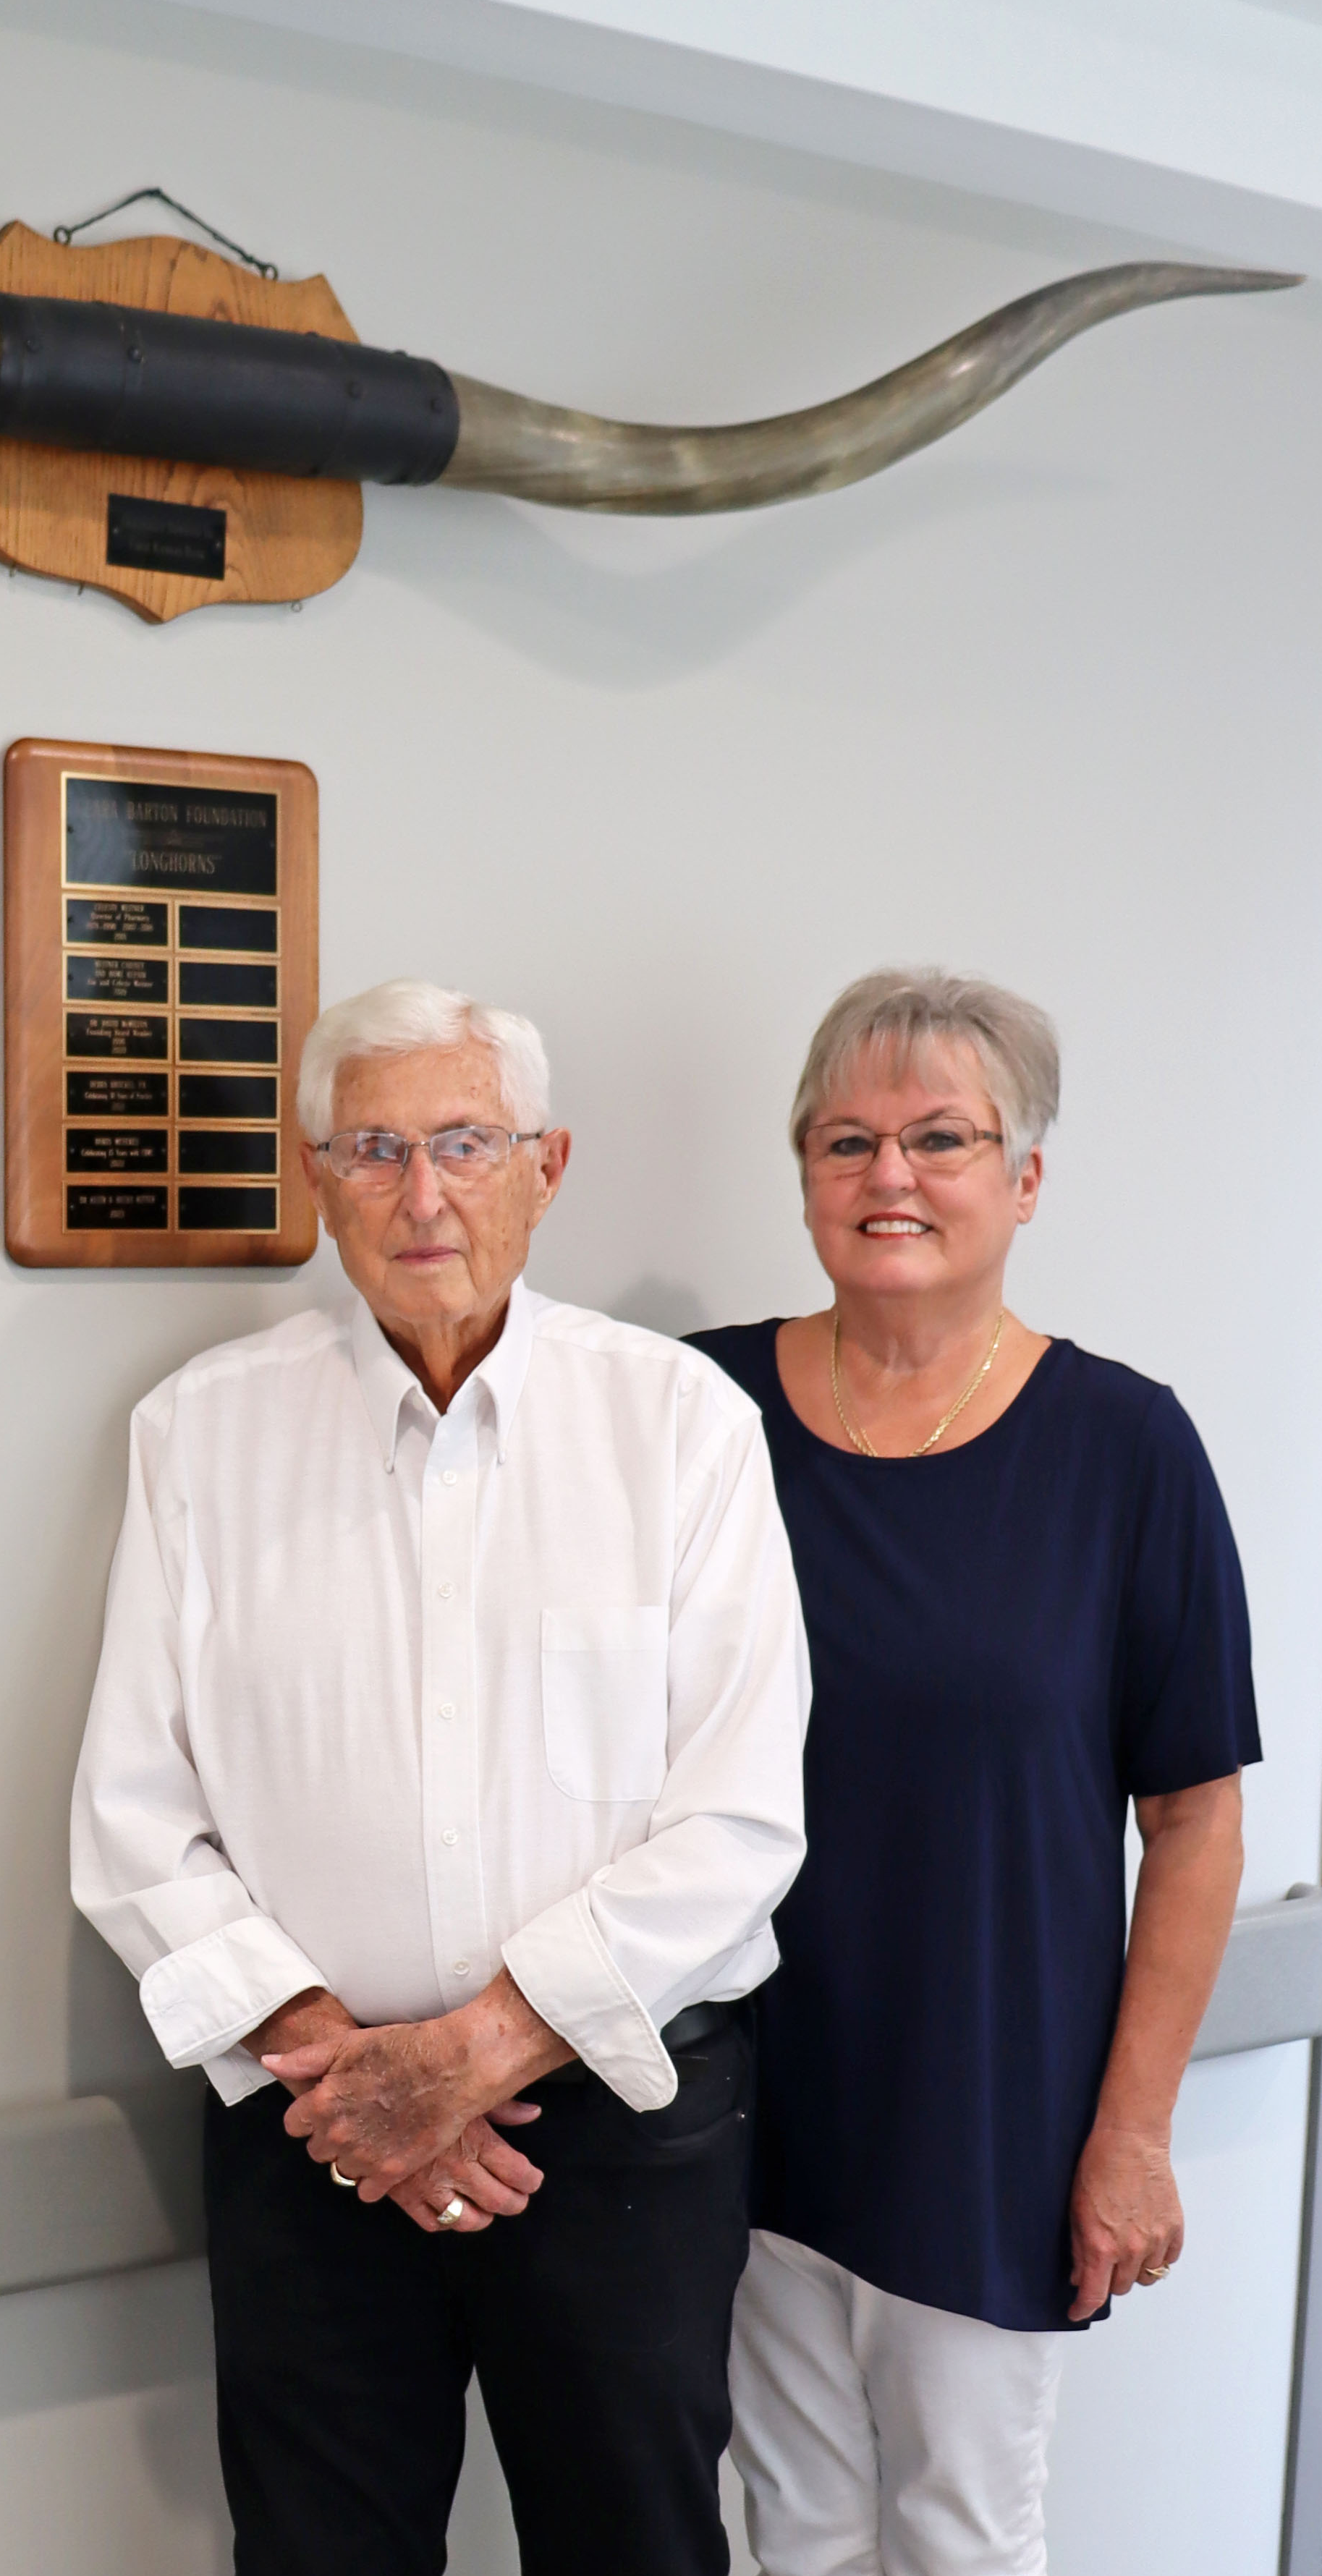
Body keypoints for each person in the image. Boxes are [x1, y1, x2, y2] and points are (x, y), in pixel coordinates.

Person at [70, 979, 810, 2576]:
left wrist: (470, 2055)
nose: (422, 1194)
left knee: (639, 2550)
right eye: (376, 1148)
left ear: (545, 1167)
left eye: (464, 1143)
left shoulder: (677, 1425)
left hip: (620, 2127)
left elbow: (739, 1814)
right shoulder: (201, 1436)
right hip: (311, 2133)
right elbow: (134, 1816)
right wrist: (344, 2073)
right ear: (316, 1177)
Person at [689, 968, 1257, 2576]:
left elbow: (1196, 1818)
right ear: (801, 1171)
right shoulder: (698, 1409)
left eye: (941, 1137)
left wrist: (1131, 2134)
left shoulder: (1123, 1446)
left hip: (988, 2112)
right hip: (734, 2099)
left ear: (1022, 1179)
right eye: (845, 1139)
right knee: (789, 2532)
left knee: (959, 2538)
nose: (889, 1178)